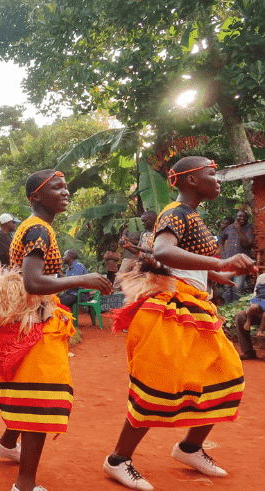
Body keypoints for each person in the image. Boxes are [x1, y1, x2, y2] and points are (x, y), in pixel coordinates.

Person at [103, 157, 253, 491]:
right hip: (170, 309)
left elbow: (196, 266)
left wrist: (224, 274)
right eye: (211, 175)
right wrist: (221, 260)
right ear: (191, 181)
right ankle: (117, 460)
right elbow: (164, 252)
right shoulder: (175, 212)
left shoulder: (194, 216)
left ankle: (189, 448)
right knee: (157, 385)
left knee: (227, 376)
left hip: (197, 310)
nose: (217, 180)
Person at [0, 169, 112, 491]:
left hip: (34, 319)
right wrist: (82, 279)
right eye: (57, 188)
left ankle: (7, 444)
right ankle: (24, 484)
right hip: (34, 320)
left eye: (66, 187)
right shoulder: (38, 229)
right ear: (36, 196)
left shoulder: (35, 226)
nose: (66, 192)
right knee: (42, 399)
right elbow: (33, 282)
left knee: (29, 389)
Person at [220, 209, 254, 303]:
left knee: (237, 288)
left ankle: (235, 311)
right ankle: (227, 310)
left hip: (241, 264)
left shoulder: (250, 228)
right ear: (236, 217)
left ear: (247, 218)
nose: (242, 218)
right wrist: (223, 253)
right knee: (227, 288)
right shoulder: (230, 227)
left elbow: (247, 243)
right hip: (228, 262)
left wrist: (238, 229)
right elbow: (221, 239)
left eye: (244, 216)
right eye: (240, 216)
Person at [235, 271, 265, 360]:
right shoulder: (262, 277)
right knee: (240, 316)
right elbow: (256, 296)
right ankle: (248, 351)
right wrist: (252, 307)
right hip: (260, 307)